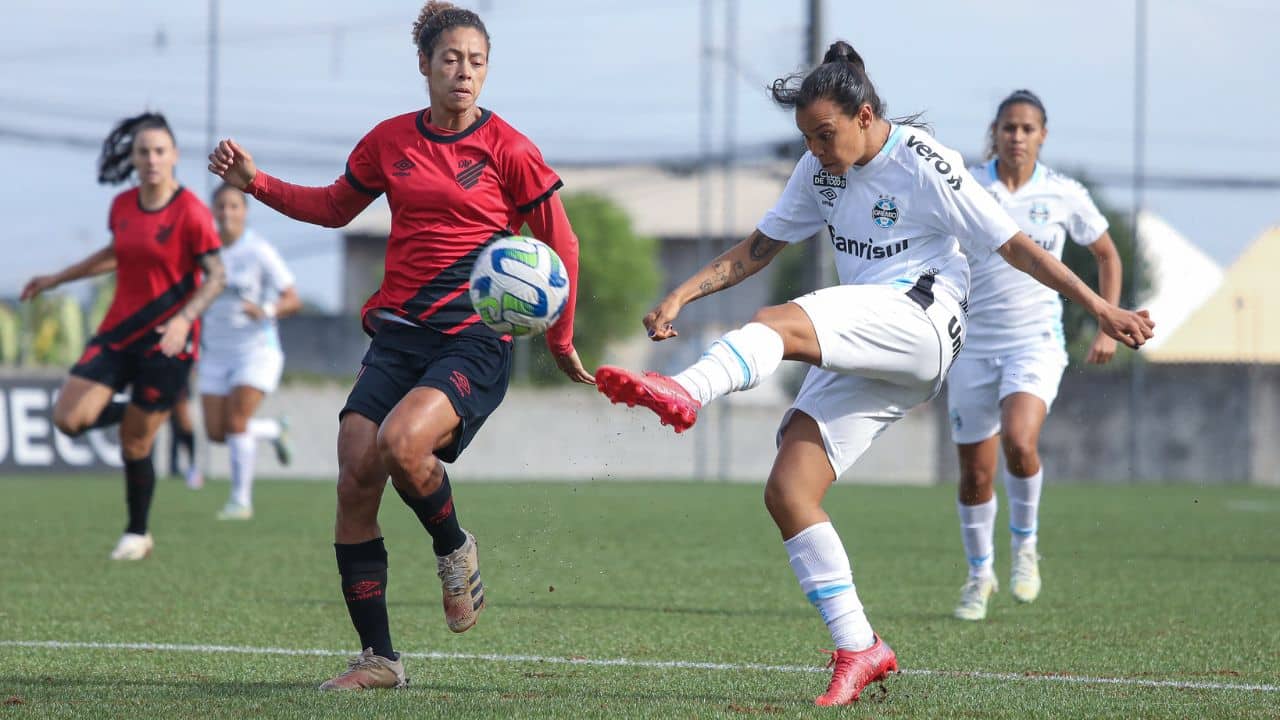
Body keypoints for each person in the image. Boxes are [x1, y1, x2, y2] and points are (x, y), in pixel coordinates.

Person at [594, 42, 1153, 706]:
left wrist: (1098, 306)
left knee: (780, 322)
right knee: (788, 491)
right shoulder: (819, 170)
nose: (817, 148)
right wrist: (683, 294)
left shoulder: (923, 160)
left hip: (924, 321)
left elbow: (1016, 247)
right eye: (806, 136)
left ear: (864, 115)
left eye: (825, 134)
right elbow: (760, 247)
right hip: (875, 347)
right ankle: (860, 646)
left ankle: (685, 391)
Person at [208, 0, 591, 691]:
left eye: (476, 61)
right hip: (398, 335)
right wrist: (253, 183)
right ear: (424, 66)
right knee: (355, 472)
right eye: (451, 59)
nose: (464, 73)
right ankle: (379, 659)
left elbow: (559, 241)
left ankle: (454, 548)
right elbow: (331, 207)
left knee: (401, 444)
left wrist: (560, 338)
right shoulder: (390, 141)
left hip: (473, 338)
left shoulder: (509, 147)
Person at [948, 90, 1123, 621]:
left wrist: (1106, 326)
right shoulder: (967, 185)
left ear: (1043, 135)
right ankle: (980, 577)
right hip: (970, 346)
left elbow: (1106, 253)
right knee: (976, 475)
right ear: (995, 132)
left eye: (1027, 128)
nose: (1017, 136)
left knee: (1021, 441)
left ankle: (1025, 549)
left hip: (1034, 342)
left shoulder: (1063, 193)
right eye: (1009, 127)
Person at [21, 111, 225, 561]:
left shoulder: (191, 212)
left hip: (168, 343)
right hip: (118, 333)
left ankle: (137, 533)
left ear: (173, 157)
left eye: (159, 151)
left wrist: (182, 318)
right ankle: (140, 411)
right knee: (68, 418)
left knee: (136, 442)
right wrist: (56, 279)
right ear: (132, 159)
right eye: (142, 152)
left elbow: (215, 276)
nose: (150, 159)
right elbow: (116, 253)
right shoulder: (124, 206)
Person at [198, 183, 300, 521]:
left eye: (233, 206)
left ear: (244, 211)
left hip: (255, 351)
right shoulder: (203, 252)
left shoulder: (258, 251)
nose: (227, 213)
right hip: (215, 353)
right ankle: (273, 431)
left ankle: (240, 501)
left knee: (236, 421)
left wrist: (267, 310)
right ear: (213, 212)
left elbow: (292, 297)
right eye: (221, 207)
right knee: (217, 431)